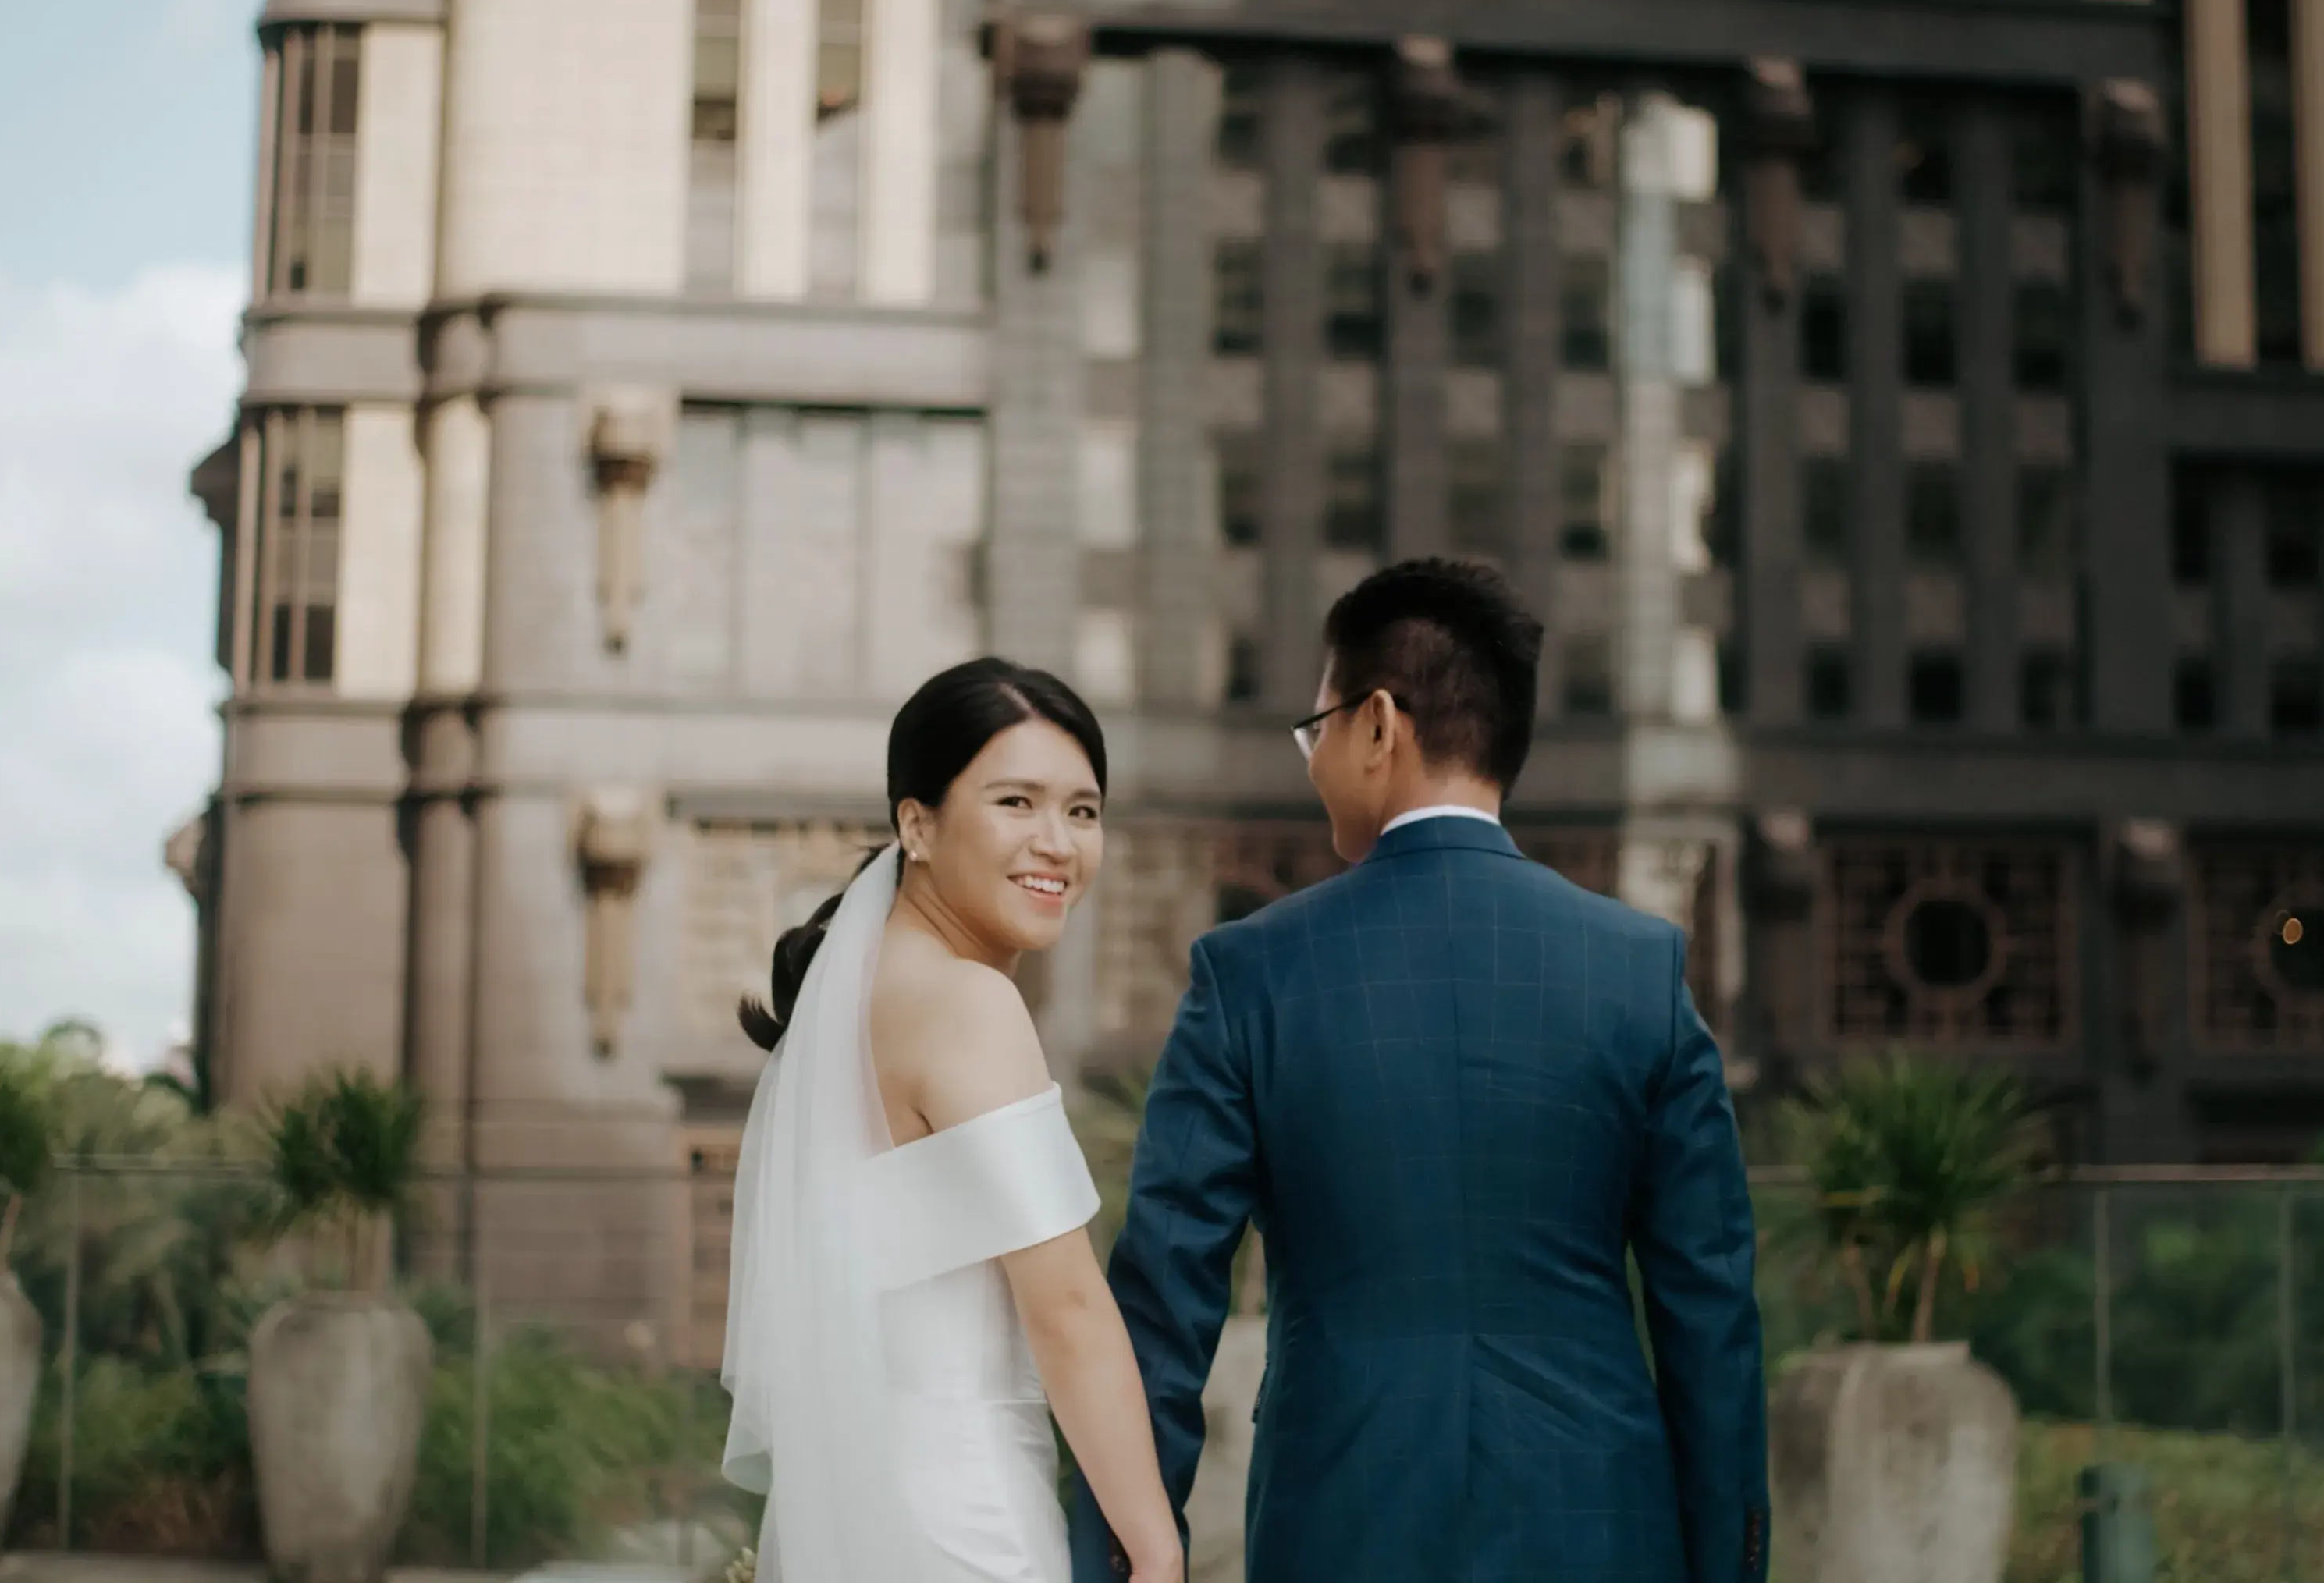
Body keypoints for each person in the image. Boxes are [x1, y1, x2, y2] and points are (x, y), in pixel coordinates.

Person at [1068, 559, 1771, 1583]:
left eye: (1320, 730)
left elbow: (1164, 1310)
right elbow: (1711, 1318)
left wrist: (1116, 1560)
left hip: (1341, 1528)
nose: (1313, 764)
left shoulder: (1251, 973)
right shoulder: (1640, 972)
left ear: (1380, 725)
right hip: (1601, 1534)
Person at [720, 658, 1182, 1583]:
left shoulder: (852, 1003)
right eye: (1017, 802)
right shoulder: (969, 1004)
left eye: (1083, 811)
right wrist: (1156, 1543)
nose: (1058, 842)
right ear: (916, 823)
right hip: (963, 1520)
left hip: (849, 1516)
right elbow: (1066, 1308)